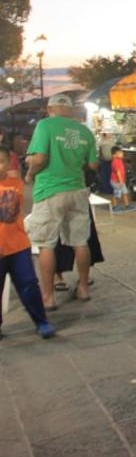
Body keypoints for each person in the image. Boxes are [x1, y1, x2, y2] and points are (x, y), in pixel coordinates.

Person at [24, 93, 99, 310]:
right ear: (71, 109)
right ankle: (83, 288)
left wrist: (30, 172)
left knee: (46, 244)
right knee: (80, 242)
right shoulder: (85, 131)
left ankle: (48, 298)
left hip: (50, 190)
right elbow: (93, 165)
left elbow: (39, 158)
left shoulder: (45, 125)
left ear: (50, 109)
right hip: (77, 190)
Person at [0, 145, 55, 339]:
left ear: (8, 162)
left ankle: (41, 321)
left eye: (1, 161)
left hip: (18, 247)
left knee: (29, 284)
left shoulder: (16, 183)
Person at [109, 146, 135, 213]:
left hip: (121, 181)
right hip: (116, 182)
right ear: (114, 155)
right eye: (119, 153)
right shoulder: (115, 162)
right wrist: (121, 181)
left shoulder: (119, 160)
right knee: (117, 194)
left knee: (124, 193)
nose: (121, 154)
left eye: (121, 152)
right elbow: (118, 172)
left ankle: (127, 205)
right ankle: (114, 207)